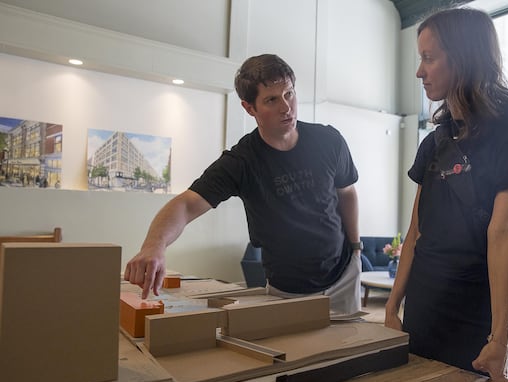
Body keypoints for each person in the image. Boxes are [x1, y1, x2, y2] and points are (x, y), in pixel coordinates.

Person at [384, 7, 508, 382]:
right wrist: (393, 307)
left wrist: (499, 336)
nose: (419, 71)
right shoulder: (435, 141)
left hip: (476, 305)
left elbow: (506, 230)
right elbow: (416, 231)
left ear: (463, 58)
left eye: (429, 58)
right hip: (425, 302)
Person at [124, 54, 363, 316]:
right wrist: (153, 246)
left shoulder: (328, 140)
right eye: (272, 99)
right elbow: (186, 204)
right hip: (287, 290)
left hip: (342, 277)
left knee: (353, 351)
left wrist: (355, 248)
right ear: (250, 108)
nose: (286, 107)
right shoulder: (241, 162)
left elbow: (347, 192)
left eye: (289, 94)